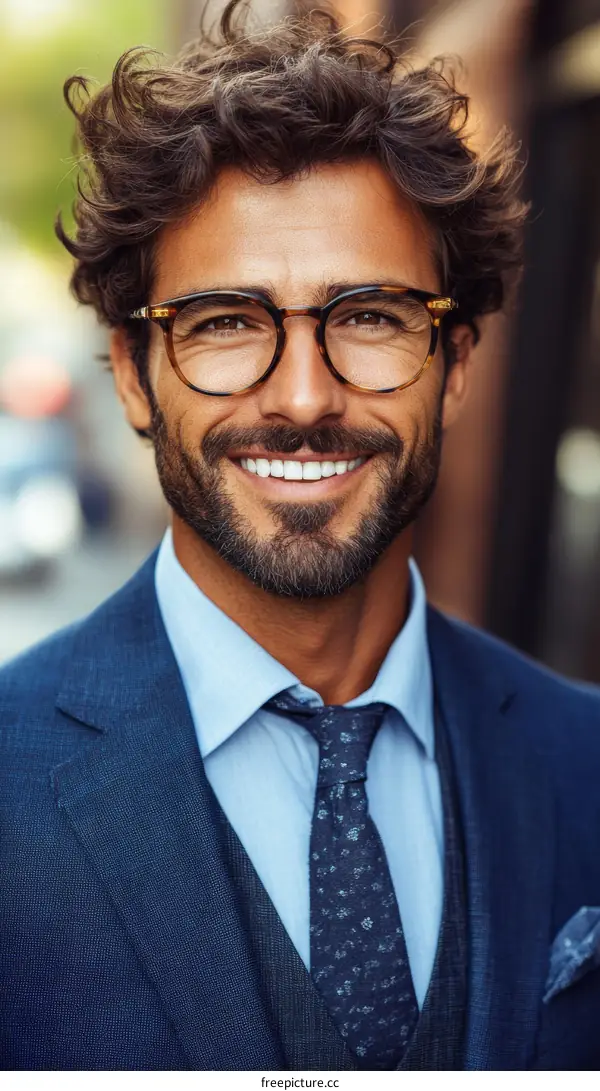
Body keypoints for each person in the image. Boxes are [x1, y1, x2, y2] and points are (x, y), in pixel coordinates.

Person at [2, 1, 600, 1072]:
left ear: (454, 365)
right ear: (135, 375)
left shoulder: (584, 758)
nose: (305, 396)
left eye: (370, 315)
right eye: (227, 321)